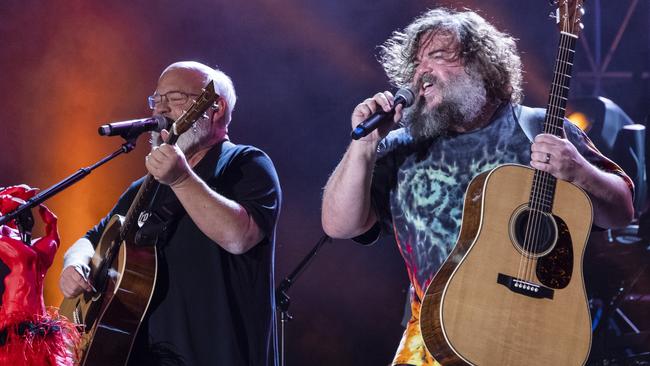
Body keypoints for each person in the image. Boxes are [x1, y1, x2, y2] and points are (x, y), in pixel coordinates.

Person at [321, 8, 634, 366]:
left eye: (437, 58)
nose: (422, 73)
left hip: (539, 339)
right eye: (417, 63)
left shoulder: (539, 128)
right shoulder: (399, 148)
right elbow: (338, 225)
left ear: (482, 66)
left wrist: (580, 170)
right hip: (432, 346)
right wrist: (363, 145)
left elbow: (621, 211)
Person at [59, 61, 281, 366]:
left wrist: (181, 179)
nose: (160, 111)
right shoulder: (144, 188)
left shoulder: (246, 164)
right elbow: (91, 239)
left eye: (175, 99)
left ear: (215, 108)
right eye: (156, 100)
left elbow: (239, 238)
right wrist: (74, 265)